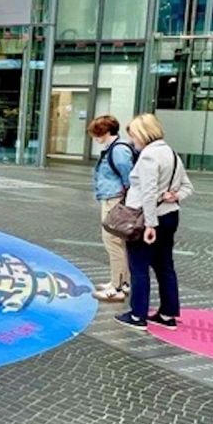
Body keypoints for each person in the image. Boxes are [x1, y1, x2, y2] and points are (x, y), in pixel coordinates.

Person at [116, 113, 194, 330]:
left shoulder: (149, 156)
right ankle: (168, 314)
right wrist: (175, 196)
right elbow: (188, 187)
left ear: (143, 133)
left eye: (133, 136)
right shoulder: (172, 154)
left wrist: (150, 225)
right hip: (170, 215)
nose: (133, 141)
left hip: (148, 218)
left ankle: (137, 315)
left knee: (139, 266)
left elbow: (149, 193)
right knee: (165, 266)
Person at [88, 115, 137, 302]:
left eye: (97, 133)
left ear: (106, 132)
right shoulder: (115, 148)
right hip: (113, 197)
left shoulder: (118, 150)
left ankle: (117, 287)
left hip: (114, 199)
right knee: (117, 242)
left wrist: (126, 195)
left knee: (112, 242)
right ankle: (120, 281)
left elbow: (129, 176)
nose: (95, 138)